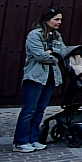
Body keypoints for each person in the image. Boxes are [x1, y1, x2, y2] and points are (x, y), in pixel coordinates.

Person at [14, 8, 71, 153]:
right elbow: (40, 55)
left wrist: (53, 52)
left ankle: (34, 139)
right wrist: (54, 56)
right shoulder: (35, 35)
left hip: (50, 77)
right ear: (47, 20)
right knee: (29, 110)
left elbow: (64, 51)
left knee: (40, 110)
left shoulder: (57, 35)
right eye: (56, 19)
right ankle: (21, 142)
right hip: (36, 76)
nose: (59, 22)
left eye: (60, 19)